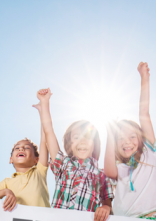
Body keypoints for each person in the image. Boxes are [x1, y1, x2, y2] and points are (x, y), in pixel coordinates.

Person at [104, 62, 156, 220]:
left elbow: (144, 114)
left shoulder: (149, 152)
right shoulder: (120, 168)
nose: (127, 142)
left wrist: (144, 79)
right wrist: (110, 134)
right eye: (120, 138)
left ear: (141, 139)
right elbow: (108, 171)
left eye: (132, 136)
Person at [36, 88, 114, 221]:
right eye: (76, 137)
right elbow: (49, 131)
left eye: (87, 137)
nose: (82, 140)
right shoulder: (63, 163)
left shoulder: (102, 175)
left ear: (94, 144)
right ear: (69, 144)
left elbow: (108, 204)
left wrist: (106, 208)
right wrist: (44, 102)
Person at [0, 102, 50, 210]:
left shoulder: (39, 172)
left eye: (26, 147)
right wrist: (5, 191)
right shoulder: (7, 182)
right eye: (17, 148)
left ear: (36, 159)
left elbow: (45, 139)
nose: (21, 149)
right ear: (11, 159)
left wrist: (43, 111)